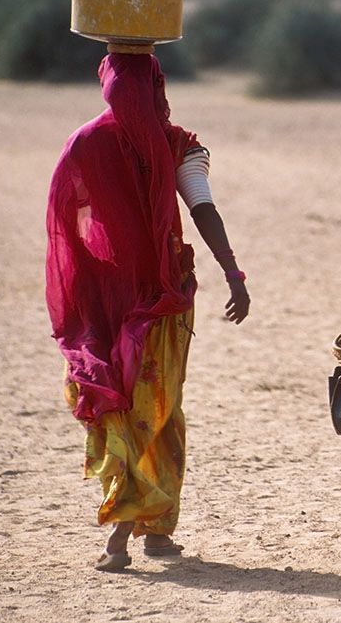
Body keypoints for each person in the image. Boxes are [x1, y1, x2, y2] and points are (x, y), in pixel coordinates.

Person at [46, 51, 250, 571]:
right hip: (161, 299)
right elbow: (202, 207)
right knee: (158, 406)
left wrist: (95, 276)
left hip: (107, 300)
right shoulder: (177, 144)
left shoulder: (84, 142)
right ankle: (130, 530)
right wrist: (232, 271)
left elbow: (70, 221)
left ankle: (152, 527)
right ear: (159, 87)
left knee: (122, 399)